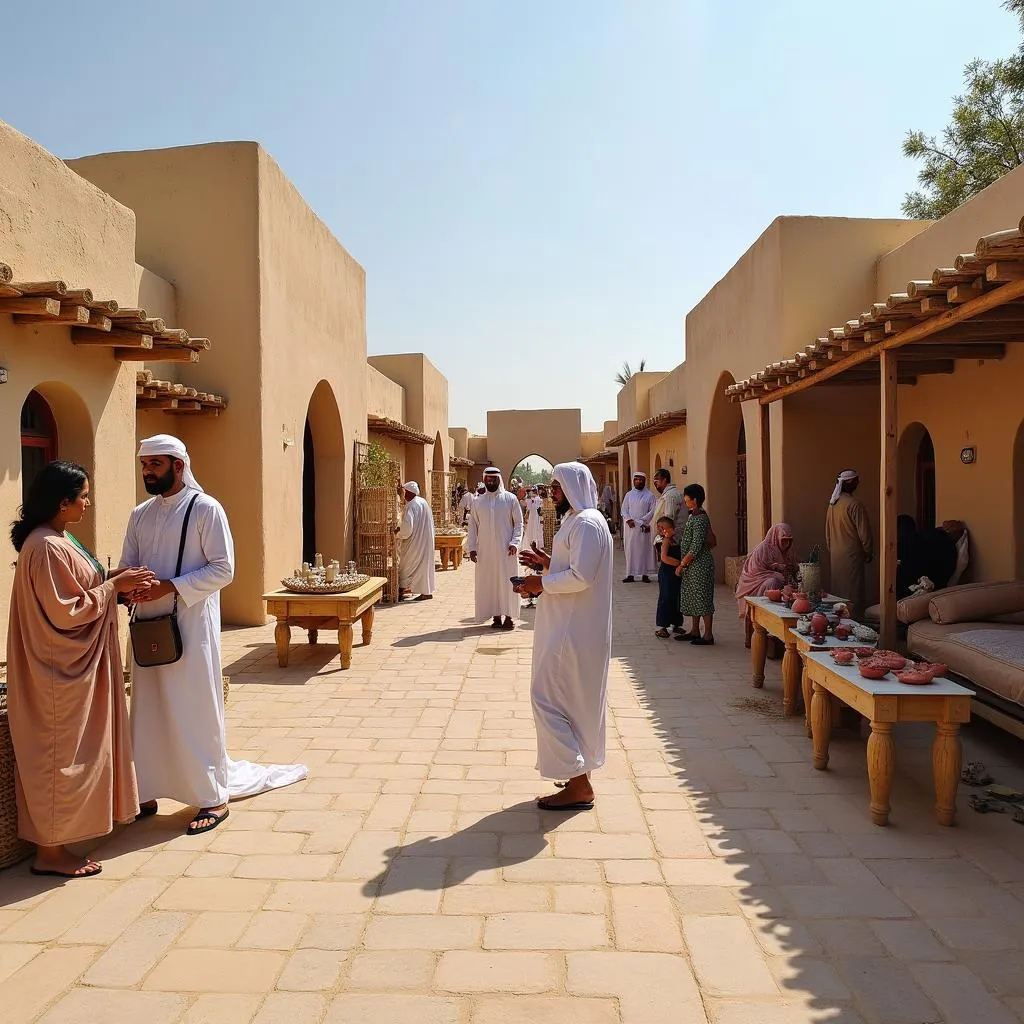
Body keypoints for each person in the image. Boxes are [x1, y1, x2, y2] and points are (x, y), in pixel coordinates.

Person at [123, 434, 307, 835]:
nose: (148, 472)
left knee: (195, 708)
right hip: (146, 627)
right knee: (147, 709)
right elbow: (128, 565)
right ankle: (147, 790)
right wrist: (128, 586)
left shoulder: (205, 509)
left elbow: (223, 569)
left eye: (155, 464)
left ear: (179, 466)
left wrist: (167, 587)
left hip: (190, 627)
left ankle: (212, 797)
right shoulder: (140, 514)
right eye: (145, 465)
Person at [7, 462, 155, 878]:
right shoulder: (46, 545)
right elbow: (66, 611)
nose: (88, 503)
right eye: (84, 496)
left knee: (70, 754)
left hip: (66, 668)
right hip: (55, 673)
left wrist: (116, 578)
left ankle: (60, 843)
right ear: (62, 501)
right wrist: (114, 587)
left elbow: (79, 585)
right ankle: (49, 854)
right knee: (58, 757)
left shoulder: (59, 538)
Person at [516, 462, 612, 811]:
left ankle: (578, 783)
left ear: (572, 487)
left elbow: (582, 576)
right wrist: (546, 563)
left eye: (556, 487)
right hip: (567, 625)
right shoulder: (577, 519)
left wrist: (540, 582)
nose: (551, 493)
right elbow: (570, 565)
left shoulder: (587, 522)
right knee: (569, 702)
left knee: (545, 698)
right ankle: (576, 771)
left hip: (571, 632)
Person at [467, 466, 524, 630]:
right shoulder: (478, 502)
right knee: (490, 583)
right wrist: (472, 548)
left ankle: (509, 617)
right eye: (488, 479)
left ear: (499, 479)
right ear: (484, 480)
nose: (490, 481)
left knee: (507, 583)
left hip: (507, 551)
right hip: (485, 552)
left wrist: (515, 542)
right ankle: (496, 616)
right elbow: (472, 527)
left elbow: (518, 524)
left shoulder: (510, 499)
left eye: (493, 479)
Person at [825, 470, 873, 616]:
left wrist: (832, 551)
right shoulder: (854, 505)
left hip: (836, 557)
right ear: (850, 482)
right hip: (852, 557)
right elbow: (864, 533)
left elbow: (827, 534)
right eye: (856, 480)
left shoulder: (833, 505)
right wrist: (868, 551)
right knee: (853, 595)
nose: (859, 483)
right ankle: (853, 627)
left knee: (839, 594)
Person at [675, 483, 716, 645]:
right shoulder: (694, 515)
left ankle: (708, 634)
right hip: (694, 567)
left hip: (700, 565)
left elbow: (696, 545)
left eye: (687, 499)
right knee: (694, 597)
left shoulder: (699, 518)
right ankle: (694, 630)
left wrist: (682, 564)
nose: (685, 502)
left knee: (703, 599)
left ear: (695, 499)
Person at [734, 523, 798, 618]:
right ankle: (764, 612)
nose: (787, 544)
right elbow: (755, 570)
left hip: (774, 578)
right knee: (773, 581)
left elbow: (792, 565)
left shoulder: (787, 551)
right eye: (784, 541)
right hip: (755, 581)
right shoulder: (763, 548)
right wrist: (775, 570)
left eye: (789, 541)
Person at [396, 481, 436, 601]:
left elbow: (408, 528)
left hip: (415, 543)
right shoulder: (423, 502)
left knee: (406, 565)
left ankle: (402, 589)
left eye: (404, 492)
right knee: (424, 566)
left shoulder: (411, 505)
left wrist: (397, 533)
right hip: (425, 541)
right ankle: (426, 592)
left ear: (408, 492)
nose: (403, 495)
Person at [620, 472, 657, 583]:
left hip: (644, 527)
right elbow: (624, 509)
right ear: (633, 481)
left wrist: (643, 522)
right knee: (631, 550)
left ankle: (645, 575)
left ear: (645, 481)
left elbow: (653, 511)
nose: (638, 481)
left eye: (641, 480)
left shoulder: (650, 495)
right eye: (636, 479)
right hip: (631, 528)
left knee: (644, 550)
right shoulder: (629, 495)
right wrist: (628, 520)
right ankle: (630, 574)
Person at [653, 516, 684, 638]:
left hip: (676, 573)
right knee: (666, 598)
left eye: (664, 527)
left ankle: (676, 623)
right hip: (667, 573)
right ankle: (663, 626)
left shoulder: (675, 540)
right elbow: (664, 558)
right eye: (659, 528)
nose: (661, 530)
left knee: (676, 598)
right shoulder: (664, 541)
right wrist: (680, 564)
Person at [652, 468, 687, 545]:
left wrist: (666, 541)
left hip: (672, 541)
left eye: (657, 480)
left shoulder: (670, 496)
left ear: (664, 480)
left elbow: (668, 520)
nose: (655, 484)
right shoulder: (667, 495)